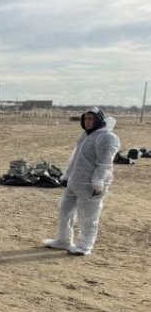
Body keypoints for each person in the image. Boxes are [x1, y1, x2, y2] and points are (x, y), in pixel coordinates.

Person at [43, 107, 120, 256]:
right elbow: (75, 157)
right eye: (85, 118)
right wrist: (66, 175)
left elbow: (105, 163)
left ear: (98, 120)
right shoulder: (85, 135)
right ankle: (63, 240)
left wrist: (98, 181)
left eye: (91, 119)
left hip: (91, 186)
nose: (87, 121)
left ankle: (85, 246)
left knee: (88, 217)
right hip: (75, 182)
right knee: (65, 212)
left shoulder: (107, 137)